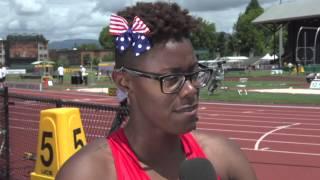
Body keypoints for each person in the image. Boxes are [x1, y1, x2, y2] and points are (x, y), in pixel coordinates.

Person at [56, 2, 257, 180]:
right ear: (125, 82)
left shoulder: (225, 157)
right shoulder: (88, 173)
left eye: (194, 74)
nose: (190, 89)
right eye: (171, 79)